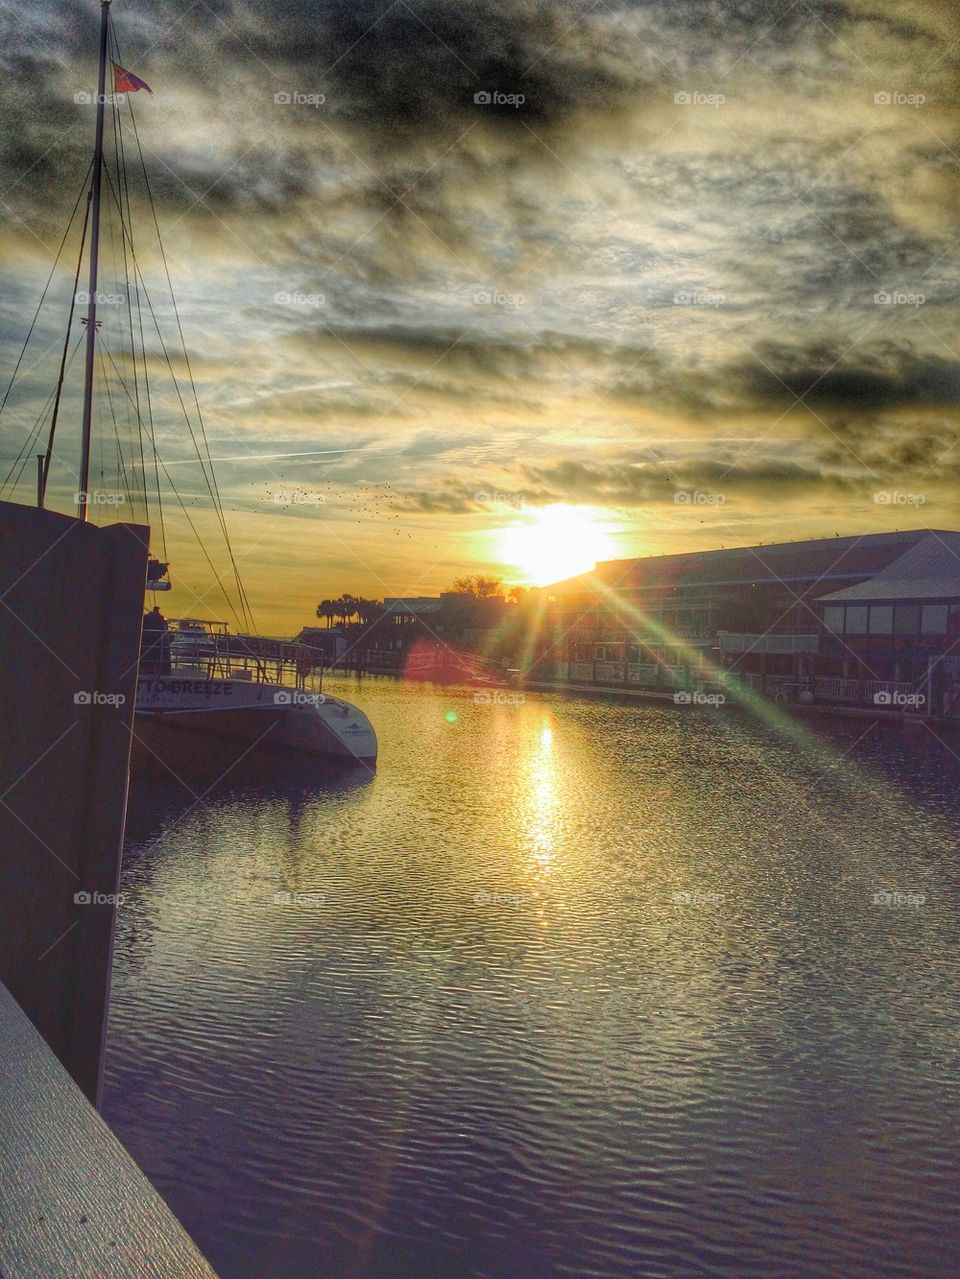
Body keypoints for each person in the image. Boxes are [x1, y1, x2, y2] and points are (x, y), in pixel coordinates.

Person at [141, 605, 170, 676]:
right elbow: (164, 628)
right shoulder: (160, 618)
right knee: (156, 654)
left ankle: (146, 667)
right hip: (157, 638)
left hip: (147, 638)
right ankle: (155, 668)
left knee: (147, 652)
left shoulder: (147, 617)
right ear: (157, 610)